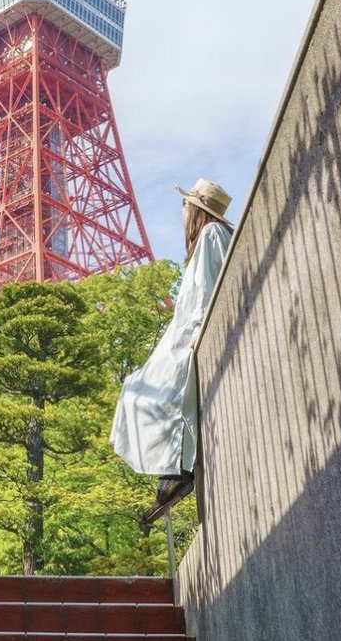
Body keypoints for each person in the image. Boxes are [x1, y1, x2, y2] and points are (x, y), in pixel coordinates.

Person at [110, 177, 235, 522]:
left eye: (185, 204)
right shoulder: (209, 239)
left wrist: (202, 331)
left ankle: (177, 472)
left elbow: (212, 286)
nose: (181, 210)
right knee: (137, 390)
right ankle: (173, 471)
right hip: (185, 334)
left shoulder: (211, 235)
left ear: (196, 209)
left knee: (151, 393)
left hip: (191, 337)